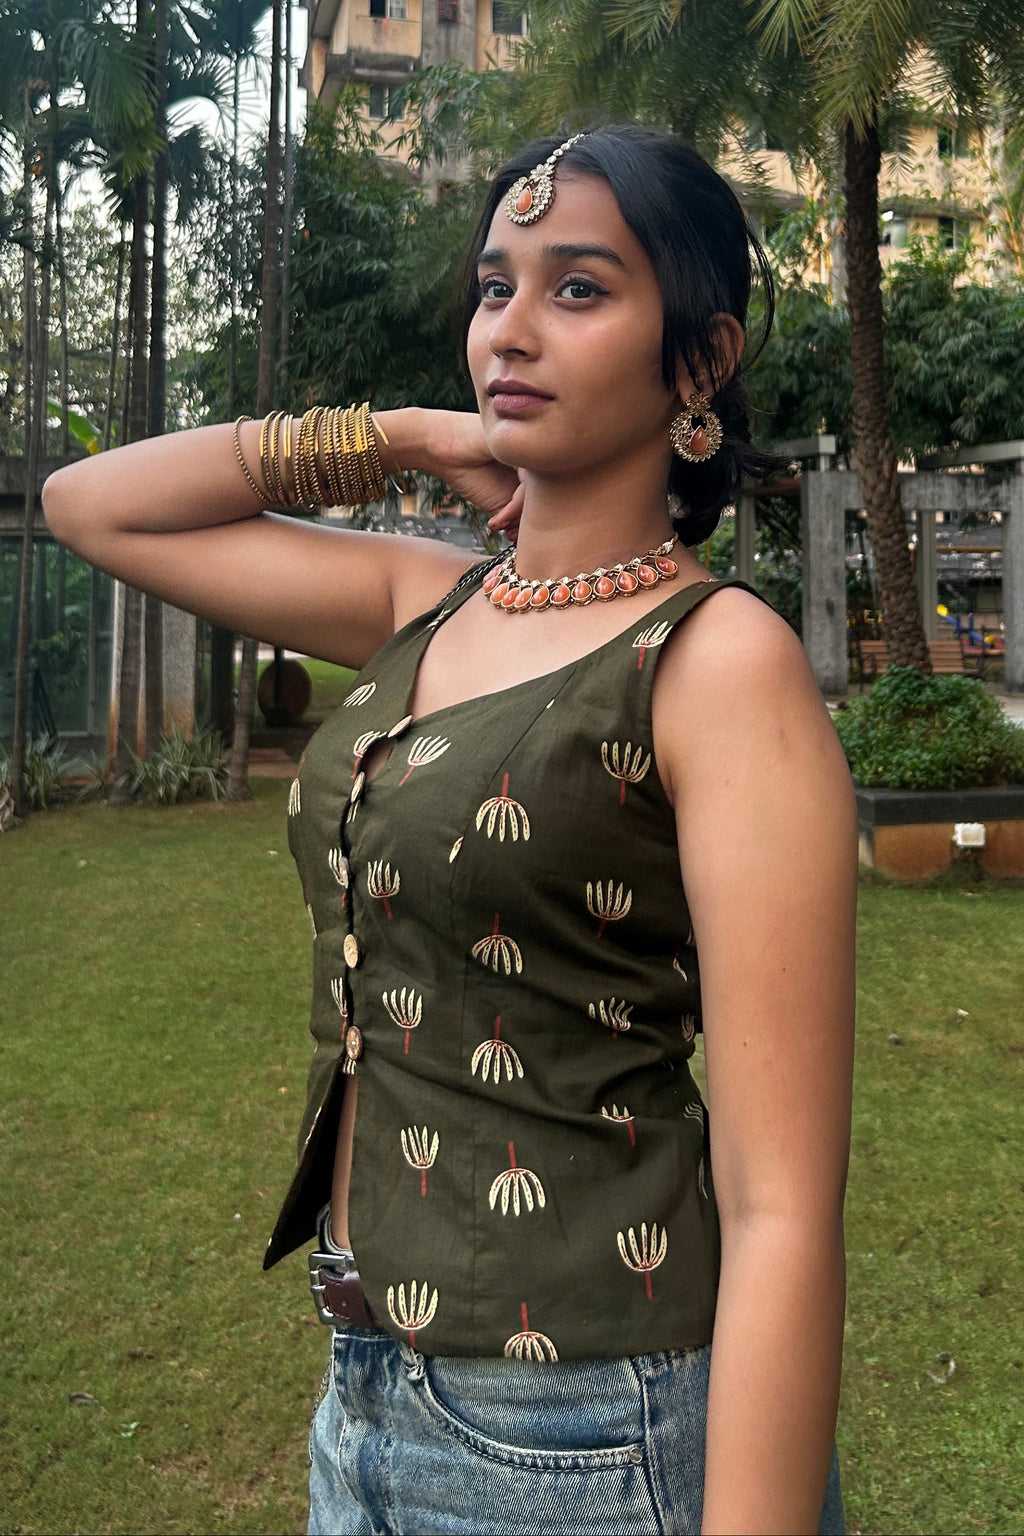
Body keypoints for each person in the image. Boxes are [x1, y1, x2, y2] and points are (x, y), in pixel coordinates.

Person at [43, 125, 857, 1536]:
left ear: (704, 360)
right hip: (367, 1386)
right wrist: (415, 436)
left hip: (591, 1427)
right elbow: (89, 505)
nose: (513, 331)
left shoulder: (716, 662)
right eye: (496, 287)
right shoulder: (428, 604)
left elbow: (784, 1203)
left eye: (580, 289)